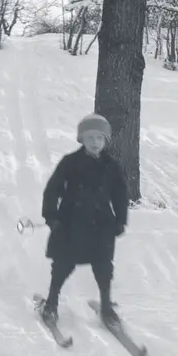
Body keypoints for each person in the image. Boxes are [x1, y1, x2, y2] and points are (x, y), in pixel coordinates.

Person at [39, 113, 129, 326]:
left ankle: (106, 307)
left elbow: (120, 195)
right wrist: (52, 217)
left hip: (101, 225)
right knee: (63, 265)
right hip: (71, 224)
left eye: (99, 138)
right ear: (82, 139)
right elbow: (52, 191)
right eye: (90, 137)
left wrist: (120, 220)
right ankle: (51, 303)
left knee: (104, 268)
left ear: (105, 140)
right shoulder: (70, 163)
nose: (95, 142)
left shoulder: (112, 166)